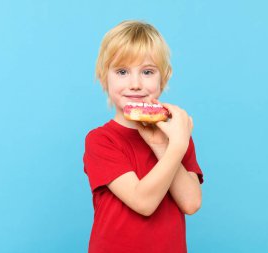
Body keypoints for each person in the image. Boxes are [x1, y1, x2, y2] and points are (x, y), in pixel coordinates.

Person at [83, 20, 204, 253]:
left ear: (163, 78)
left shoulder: (175, 133)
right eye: (122, 72)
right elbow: (144, 203)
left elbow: (191, 203)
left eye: (147, 72)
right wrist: (177, 147)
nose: (135, 84)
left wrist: (163, 145)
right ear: (103, 78)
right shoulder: (100, 140)